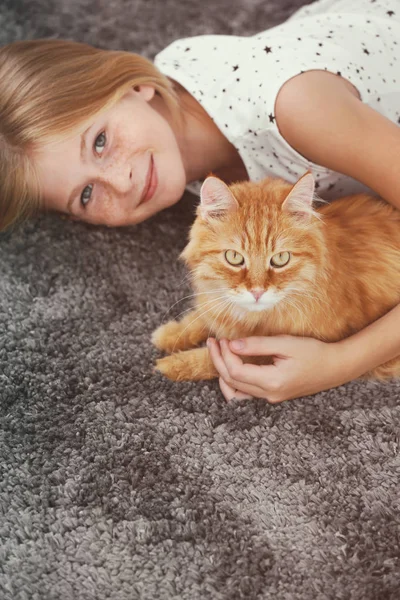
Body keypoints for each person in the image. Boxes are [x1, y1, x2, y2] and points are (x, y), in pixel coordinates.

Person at [1, 0, 400, 403]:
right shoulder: (166, 117)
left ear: (134, 86)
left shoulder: (299, 110)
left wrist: (339, 363)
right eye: (86, 194)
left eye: (100, 142)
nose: (121, 181)